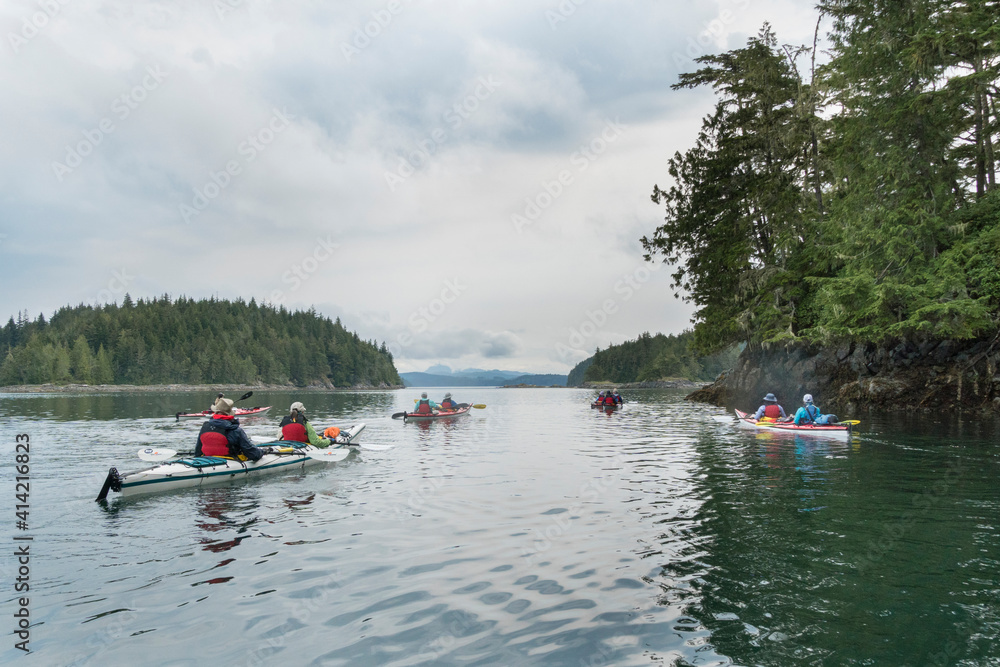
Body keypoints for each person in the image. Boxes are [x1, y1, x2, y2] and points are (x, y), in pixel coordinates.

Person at [195, 397, 264, 461]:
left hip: (207, 460)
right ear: (229, 413)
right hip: (231, 461)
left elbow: (198, 452)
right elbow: (254, 455)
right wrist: (262, 452)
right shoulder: (236, 430)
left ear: (215, 411)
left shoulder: (205, 427)